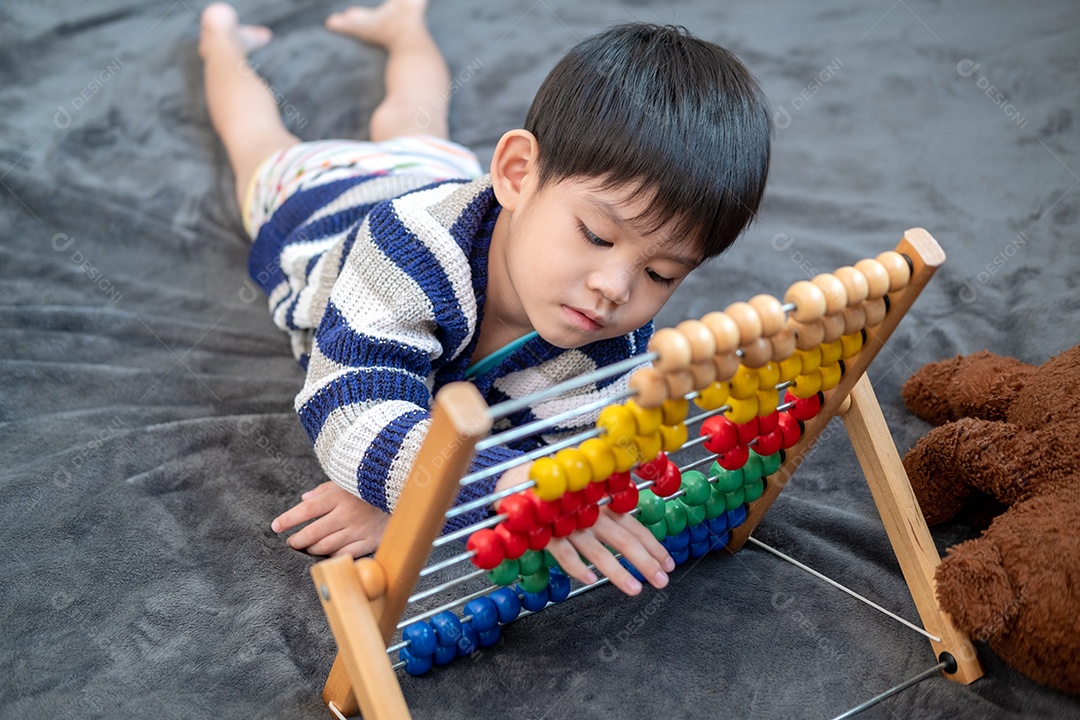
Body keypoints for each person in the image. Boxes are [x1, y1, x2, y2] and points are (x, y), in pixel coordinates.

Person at [199, 0, 770, 596]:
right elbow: (352, 404)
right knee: (257, 141)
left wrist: (495, 488)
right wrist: (436, 495)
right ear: (517, 174)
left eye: (660, 274)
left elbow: (562, 453)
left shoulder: (612, 341)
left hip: (434, 168)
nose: (615, 288)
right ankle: (222, 41)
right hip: (328, 199)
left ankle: (402, 26)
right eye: (597, 236)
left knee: (413, 120)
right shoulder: (406, 249)